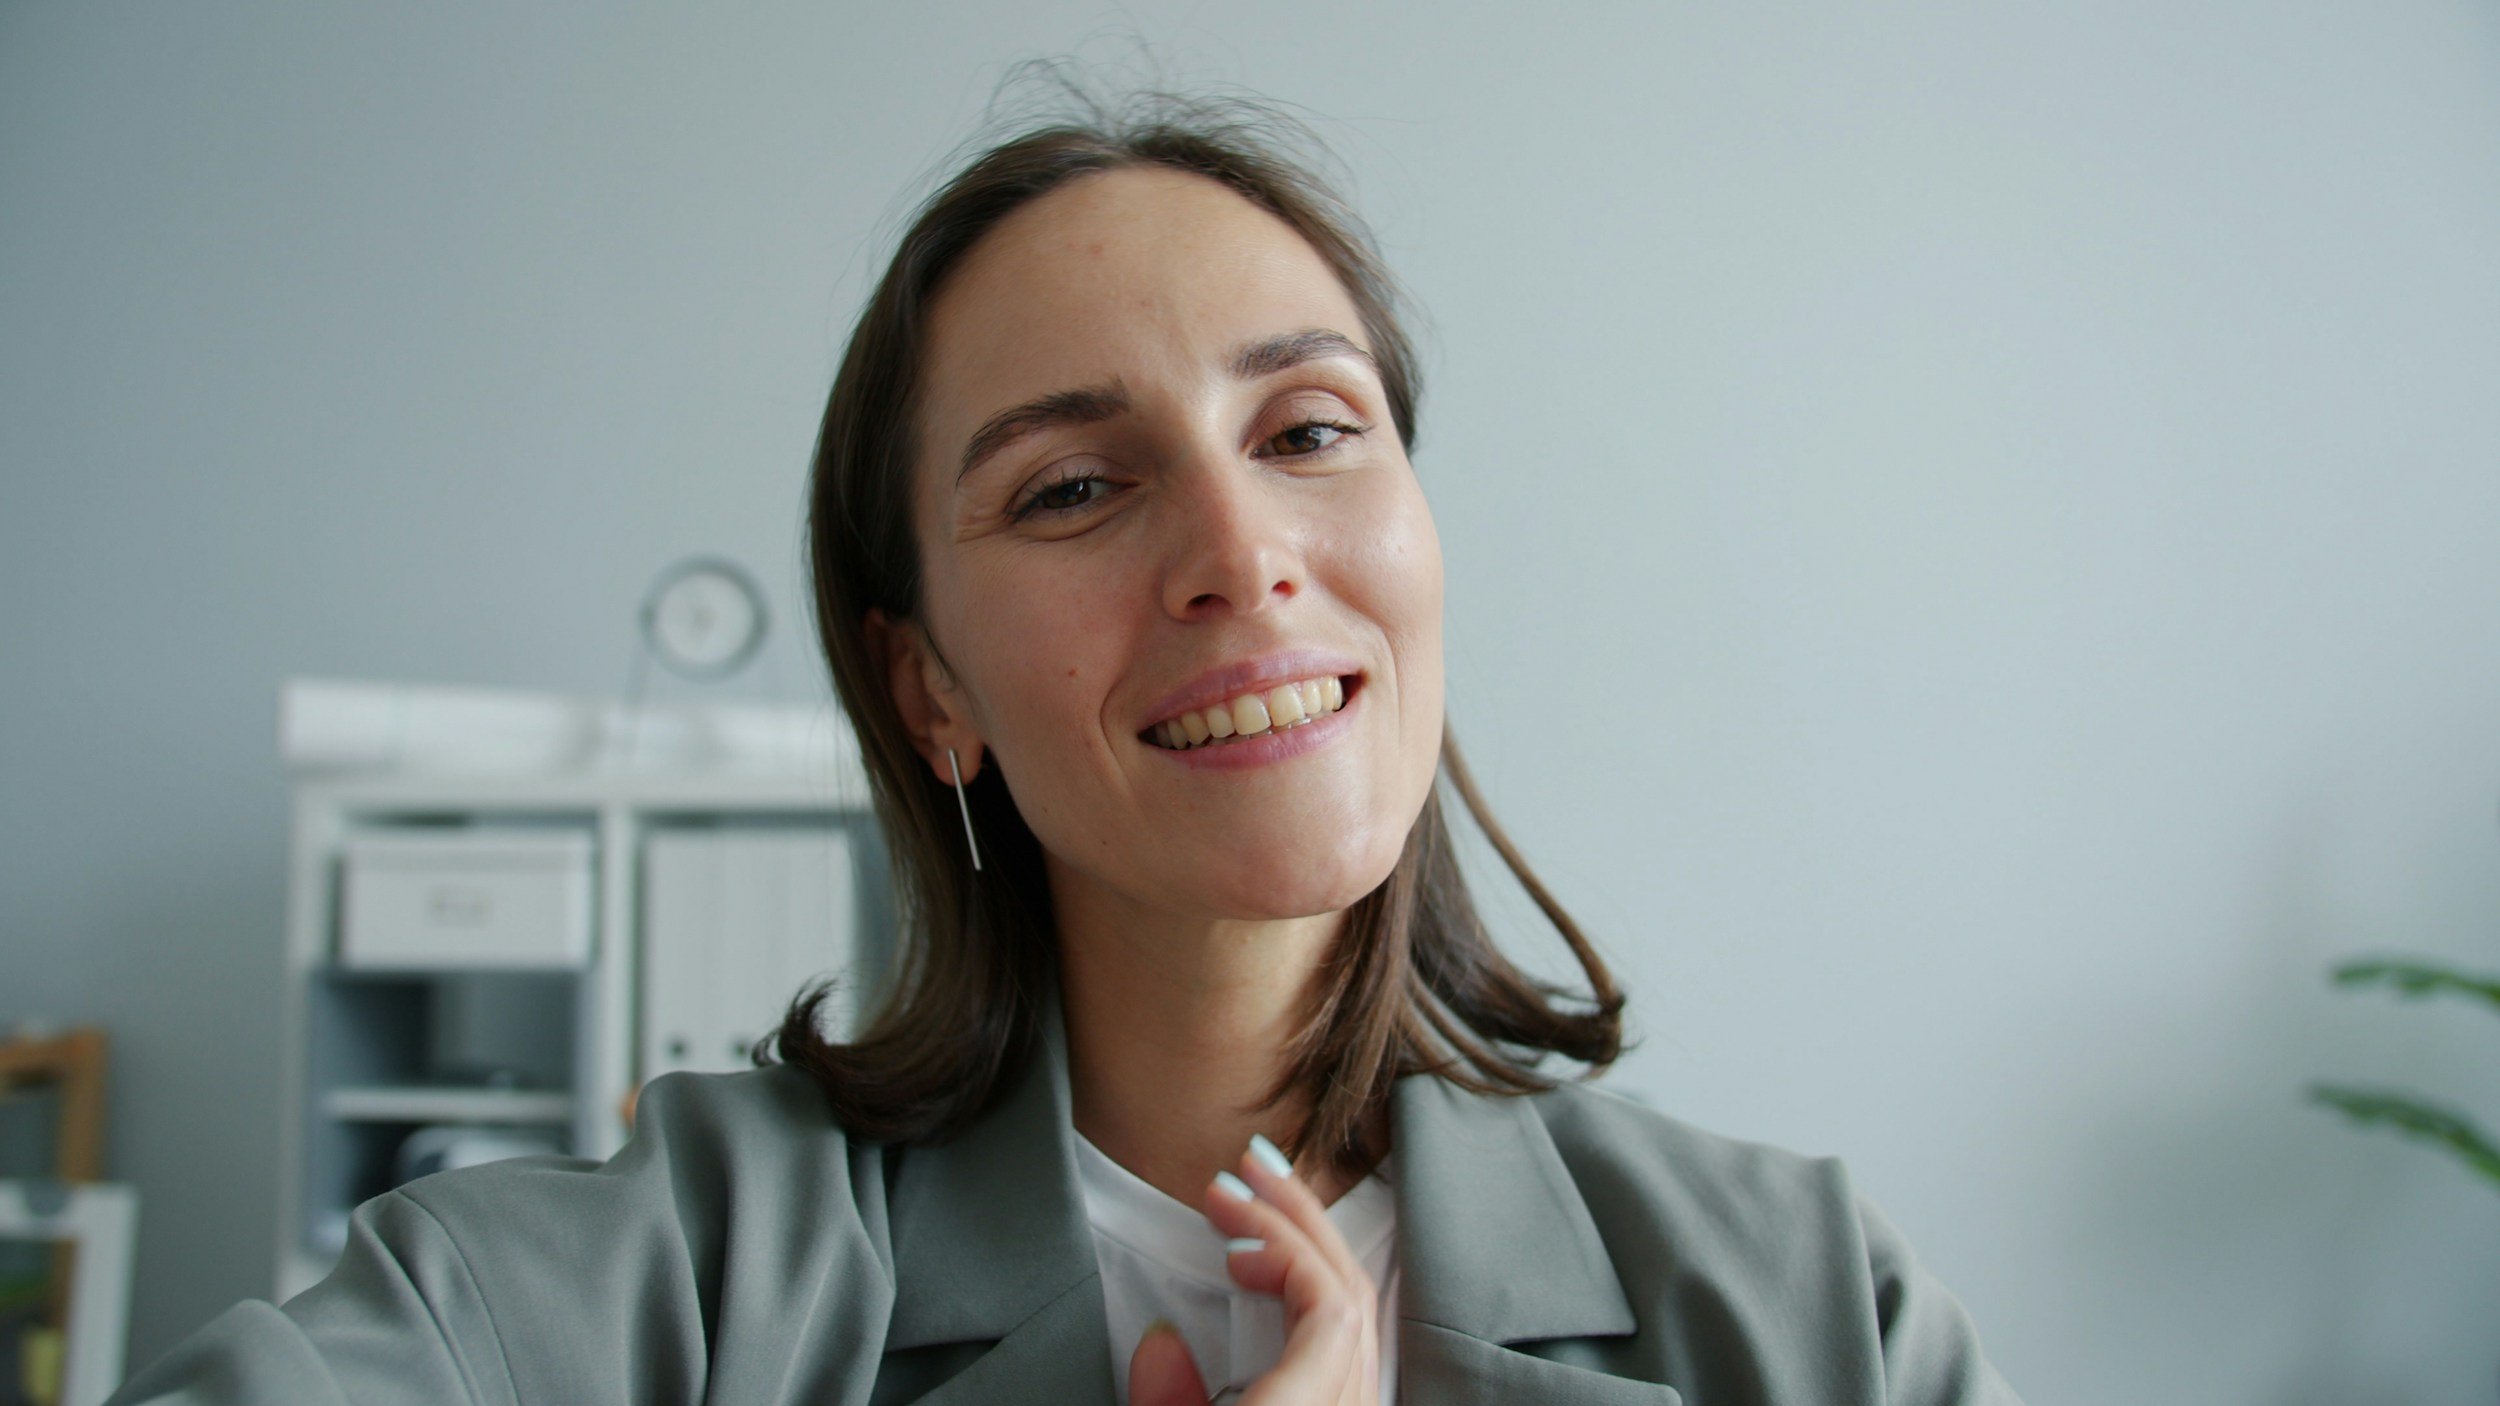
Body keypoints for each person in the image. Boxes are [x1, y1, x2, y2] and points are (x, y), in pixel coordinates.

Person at [106, 75, 2024, 1406]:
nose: (1242, 555)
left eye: (1309, 431)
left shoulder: (1801, 1298)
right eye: (1077, 486)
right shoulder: (665, 1279)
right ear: (923, 683)